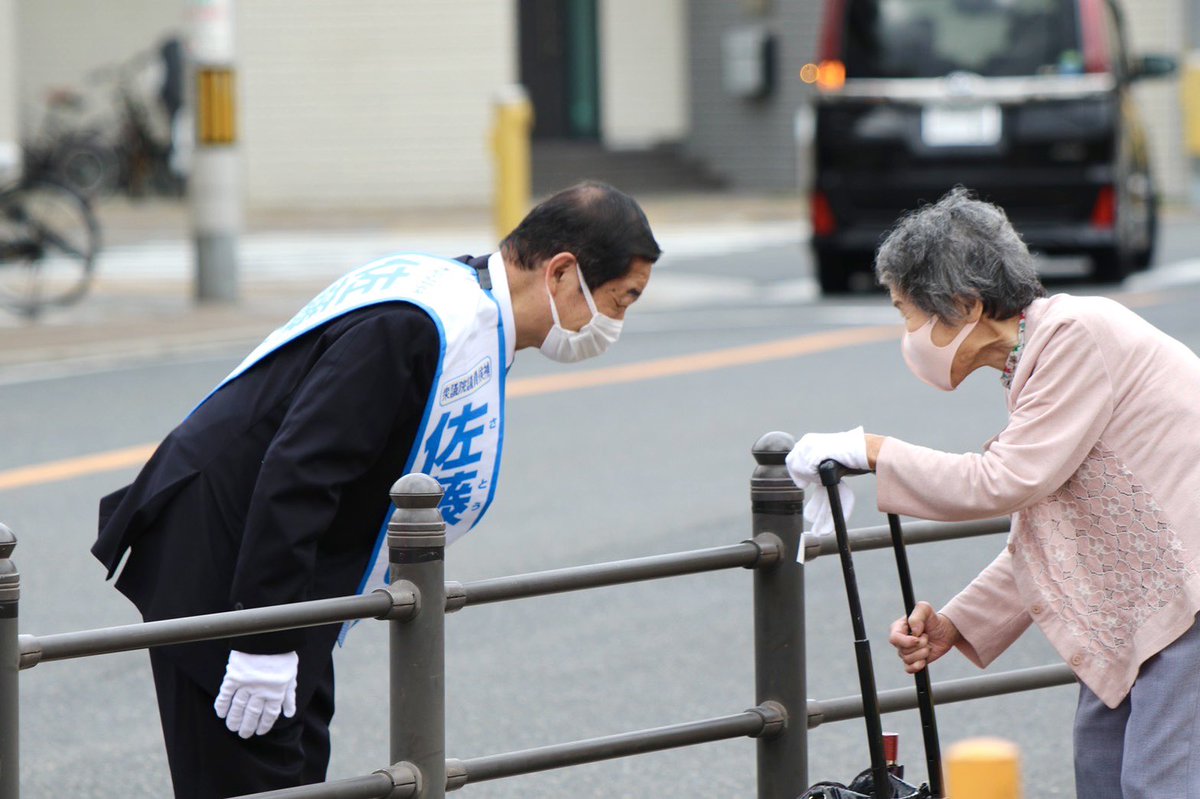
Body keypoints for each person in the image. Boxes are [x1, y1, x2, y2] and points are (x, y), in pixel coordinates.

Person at [92, 181, 661, 798]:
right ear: (562, 272)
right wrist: (264, 641)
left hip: (280, 567)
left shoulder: (458, 303)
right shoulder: (419, 325)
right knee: (251, 774)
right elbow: (301, 470)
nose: (613, 323)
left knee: (297, 764)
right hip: (225, 561)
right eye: (619, 300)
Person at [786, 187, 1200, 798]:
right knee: (1103, 775)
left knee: (1154, 785)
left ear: (965, 305)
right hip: (1149, 607)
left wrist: (872, 450)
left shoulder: (1075, 336)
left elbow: (1003, 481)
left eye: (907, 312)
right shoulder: (1041, 355)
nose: (907, 333)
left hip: (1182, 603)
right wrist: (957, 623)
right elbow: (1049, 525)